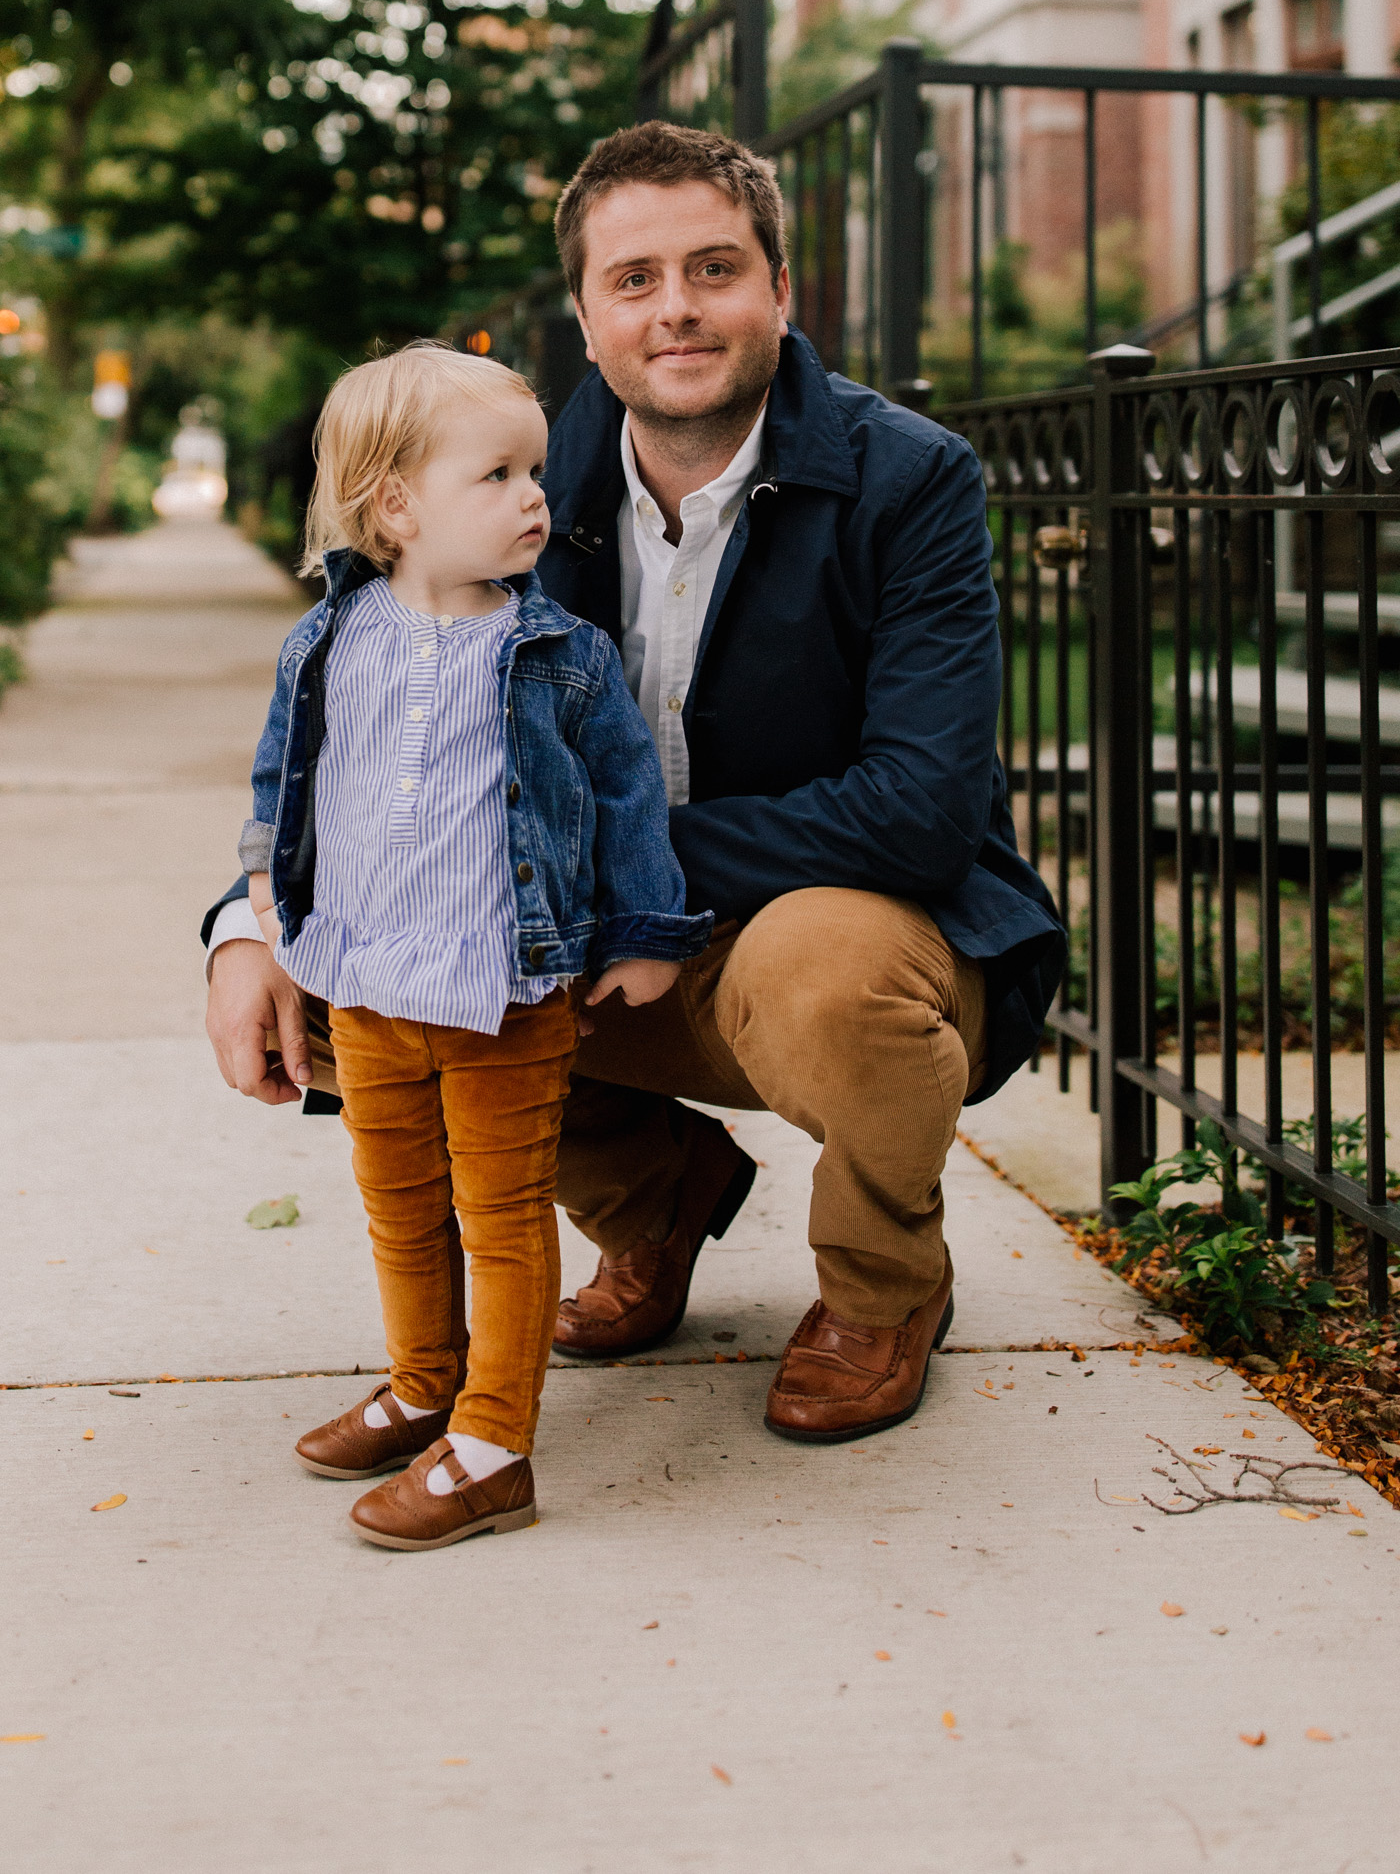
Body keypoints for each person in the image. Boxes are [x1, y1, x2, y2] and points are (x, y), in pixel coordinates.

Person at [207, 121, 1065, 1447]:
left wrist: (623, 866)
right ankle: (653, 1204)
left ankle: (886, 1288)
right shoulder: (509, 479)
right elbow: (373, 736)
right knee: (357, 981)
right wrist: (250, 927)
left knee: (829, 974)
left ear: (781, 290)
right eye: (636, 279)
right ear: (588, 316)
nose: (676, 309)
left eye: (715, 269)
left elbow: (920, 808)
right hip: (607, 945)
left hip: (838, 928)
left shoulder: (910, 480)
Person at [227, 340, 709, 1551]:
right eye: (496, 475)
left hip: (502, 990)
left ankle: (494, 1442)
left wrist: (648, 928)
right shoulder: (327, 643)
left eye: (535, 471)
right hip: (367, 981)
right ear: (396, 505)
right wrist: (263, 894)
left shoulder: (557, 655)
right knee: (398, 1204)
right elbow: (286, 775)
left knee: (500, 1216)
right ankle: (424, 1384)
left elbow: (625, 794)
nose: (536, 497)